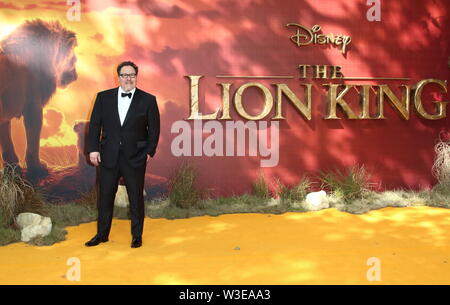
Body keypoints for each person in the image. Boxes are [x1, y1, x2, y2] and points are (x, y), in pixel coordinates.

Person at [85, 61, 160, 248]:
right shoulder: (103, 98)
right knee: (105, 197)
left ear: (136, 76)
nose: (128, 78)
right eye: (125, 75)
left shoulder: (148, 100)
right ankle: (102, 235)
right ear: (118, 77)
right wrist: (93, 149)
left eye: (132, 75)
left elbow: (155, 130)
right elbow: (95, 125)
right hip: (108, 156)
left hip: (135, 157)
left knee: (136, 198)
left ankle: (137, 236)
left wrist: (149, 152)